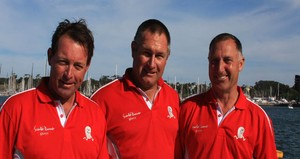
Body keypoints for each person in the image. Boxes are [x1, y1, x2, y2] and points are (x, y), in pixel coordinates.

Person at [0, 19, 109, 159]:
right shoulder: (15, 108)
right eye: (63, 62)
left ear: (87, 67)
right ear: (50, 57)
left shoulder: (96, 114)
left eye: (78, 66)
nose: (69, 74)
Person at [178, 33, 277, 158]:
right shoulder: (187, 109)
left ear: (240, 64)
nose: (220, 68)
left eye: (227, 60)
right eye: (214, 61)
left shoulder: (259, 118)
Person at [91, 19, 180, 159]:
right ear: (133, 49)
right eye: (146, 53)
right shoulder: (103, 99)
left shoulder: (173, 98)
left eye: (159, 56)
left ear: (167, 56)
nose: (152, 64)